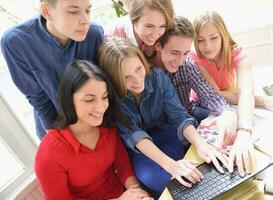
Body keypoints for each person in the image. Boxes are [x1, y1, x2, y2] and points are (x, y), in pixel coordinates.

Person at [98, 38, 229, 197]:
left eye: (139, 69)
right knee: (154, 178)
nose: (137, 80)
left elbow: (179, 116)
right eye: (126, 77)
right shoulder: (113, 98)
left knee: (196, 163)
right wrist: (171, 165)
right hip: (140, 149)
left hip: (167, 134)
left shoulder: (158, 78)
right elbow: (135, 136)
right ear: (114, 79)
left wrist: (201, 144)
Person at [190, 10, 273, 176]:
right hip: (203, 105)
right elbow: (216, 94)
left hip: (229, 99)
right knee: (225, 142)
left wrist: (244, 132)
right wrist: (264, 100)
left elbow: (245, 91)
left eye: (214, 38)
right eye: (200, 40)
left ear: (223, 35)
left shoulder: (238, 53)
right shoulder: (195, 58)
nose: (208, 46)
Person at [35, 60, 153, 200]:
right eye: (90, 100)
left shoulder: (108, 127)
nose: (100, 108)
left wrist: (137, 193)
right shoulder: (49, 154)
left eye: (104, 97)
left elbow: (123, 166)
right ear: (68, 100)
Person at [1, 0, 104, 139]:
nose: (85, 21)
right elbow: (38, 99)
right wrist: (61, 137)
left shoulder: (94, 34)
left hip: (95, 125)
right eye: (73, 11)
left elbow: (102, 89)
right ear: (46, 11)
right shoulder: (16, 42)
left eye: (87, 10)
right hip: (55, 128)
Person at [151, 16, 237, 142]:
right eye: (175, 53)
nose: (180, 61)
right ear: (158, 46)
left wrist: (227, 113)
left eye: (185, 53)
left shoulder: (187, 65)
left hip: (188, 113)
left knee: (227, 120)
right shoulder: (147, 73)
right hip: (164, 127)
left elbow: (209, 95)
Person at [105, 0, 174, 59]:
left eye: (162, 26)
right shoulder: (114, 38)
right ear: (134, 20)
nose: (155, 35)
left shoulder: (168, 31)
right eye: (149, 26)